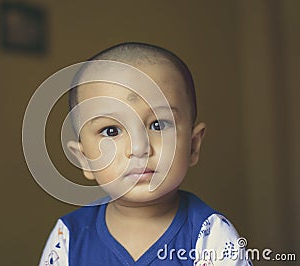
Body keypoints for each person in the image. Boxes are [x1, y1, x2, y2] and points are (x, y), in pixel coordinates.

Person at [39, 42, 251, 265]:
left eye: (158, 125)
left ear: (193, 145)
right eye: (111, 131)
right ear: (85, 159)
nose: (139, 148)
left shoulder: (209, 234)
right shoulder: (69, 238)